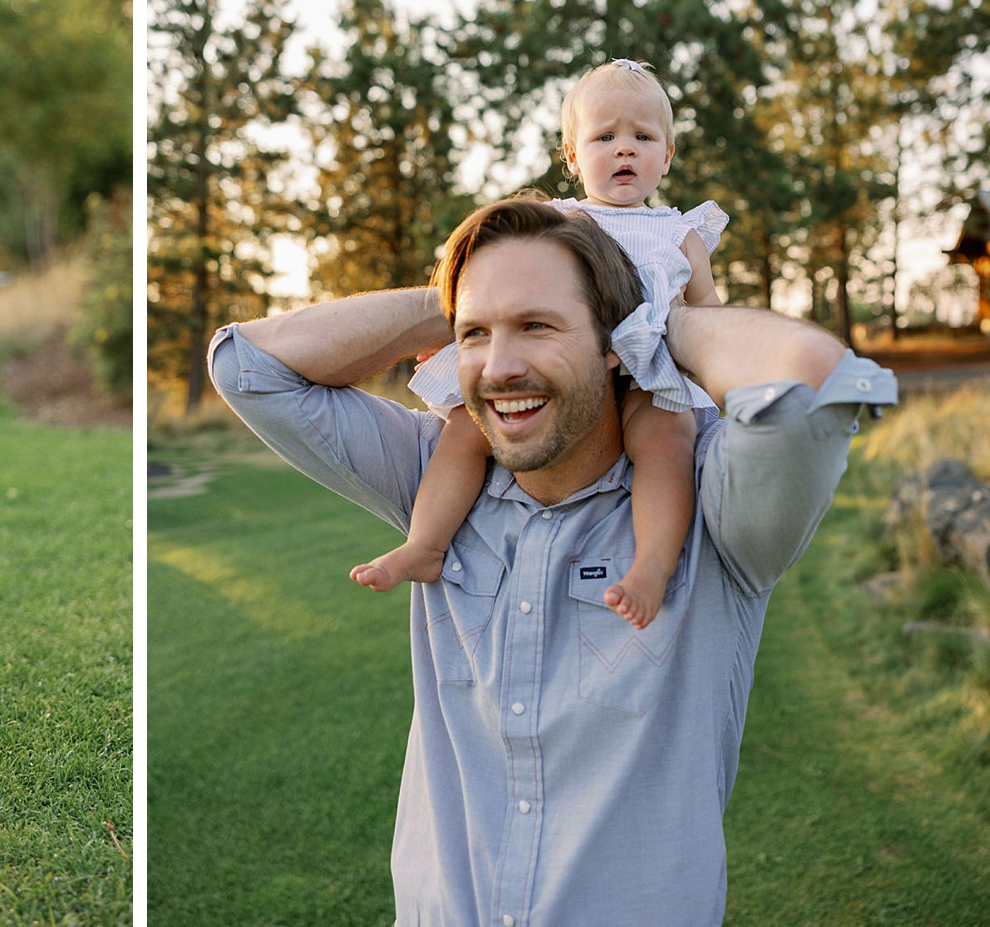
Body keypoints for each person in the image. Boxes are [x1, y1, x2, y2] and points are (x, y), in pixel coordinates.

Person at [210, 194, 895, 925]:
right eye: (473, 333)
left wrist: (662, 312)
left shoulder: (710, 502)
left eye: (537, 325)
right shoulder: (436, 477)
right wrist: (446, 298)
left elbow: (814, 378)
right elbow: (249, 367)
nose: (500, 367)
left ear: (613, 339)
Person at [352, 58, 724, 629]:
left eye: (643, 137)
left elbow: (712, 320)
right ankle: (426, 541)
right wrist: (459, 334)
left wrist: (715, 370)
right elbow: (495, 279)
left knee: (666, 440)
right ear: (573, 158)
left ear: (667, 155)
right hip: (556, 359)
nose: (625, 150)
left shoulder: (680, 233)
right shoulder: (560, 220)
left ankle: (651, 564)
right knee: (466, 428)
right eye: (605, 137)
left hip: (649, 366)